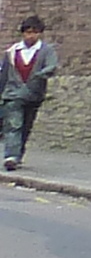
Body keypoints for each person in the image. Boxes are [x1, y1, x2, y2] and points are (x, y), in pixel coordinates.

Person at [0, 17, 49, 171]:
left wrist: (42, 74)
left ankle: (18, 155)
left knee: (25, 126)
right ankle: (11, 156)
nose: (31, 36)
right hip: (12, 95)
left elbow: (52, 66)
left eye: (35, 32)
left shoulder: (45, 51)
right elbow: (4, 74)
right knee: (13, 125)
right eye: (28, 32)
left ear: (40, 34)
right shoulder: (12, 52)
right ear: (23, 33)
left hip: (34, 96)